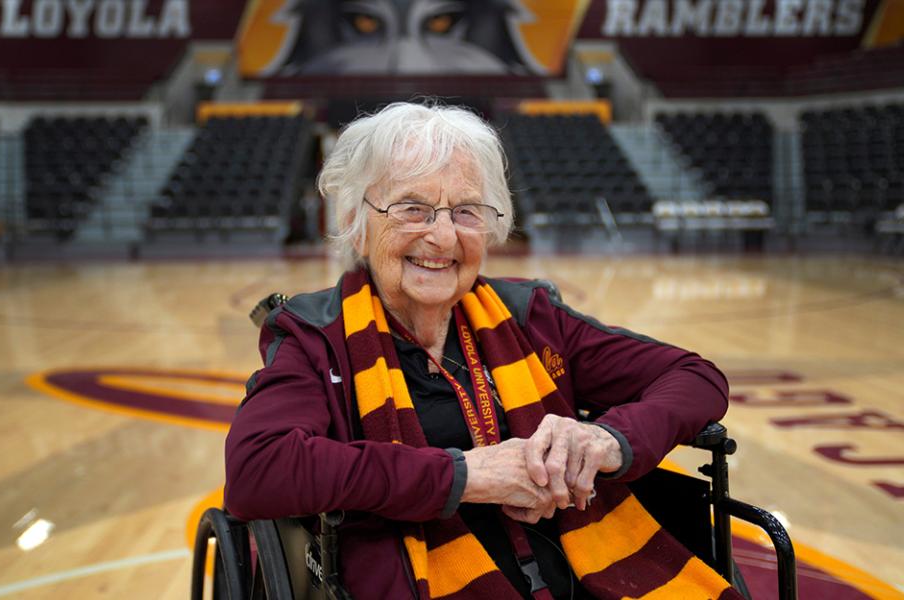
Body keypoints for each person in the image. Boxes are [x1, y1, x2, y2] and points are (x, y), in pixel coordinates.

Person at [225, 102, 739, 600]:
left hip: (582, 571)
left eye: (466, 211)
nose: (443, 235)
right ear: (358, 222)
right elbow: (257, 470)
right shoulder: (318, 336)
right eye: (412, 208)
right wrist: (466, 476)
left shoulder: (530, 317)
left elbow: (695, 376)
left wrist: (605, 440)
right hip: (417, 578)